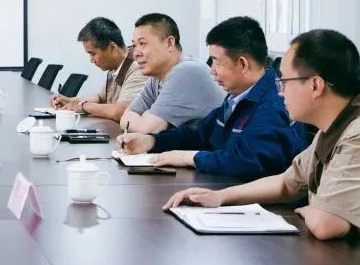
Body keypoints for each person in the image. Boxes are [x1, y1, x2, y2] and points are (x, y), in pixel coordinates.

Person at [164, 29, 360, 265]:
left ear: (315, 85)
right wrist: (220, 197)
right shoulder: (335, 125)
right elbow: (287, 183)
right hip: (348, 261)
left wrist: (311, 210)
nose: (279, 91)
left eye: (284, 82)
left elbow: (326, 224)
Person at [120, 16, 306, 180]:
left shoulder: (274, 103)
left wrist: (188, 157)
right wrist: (152, 141)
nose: (212, 71)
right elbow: (199, 134)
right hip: (226, 189)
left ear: (242, 64)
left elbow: (247, 161)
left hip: (264, 204)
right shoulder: (236, 97)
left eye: (217, 62)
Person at [116, 13, 224, 138]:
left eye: (142, 43)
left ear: (169, 43)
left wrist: (143, 118)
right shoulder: (157, 76)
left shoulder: (186, 72)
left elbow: (147, 130)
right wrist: (142, 120)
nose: (136, 53)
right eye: (134, 45)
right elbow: (126, 116)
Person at [49, 17, 146, 122]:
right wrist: (71, 101)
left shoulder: (138, 68)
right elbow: (101, 98)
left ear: (112, 48)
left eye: (93, 54)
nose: (91, 60)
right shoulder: (115, 67)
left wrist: (82, 106)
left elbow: (121, 111)